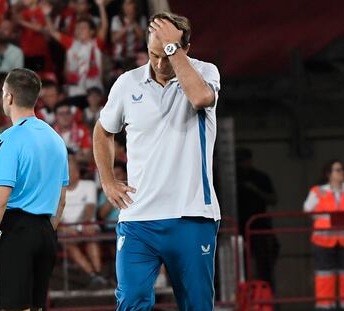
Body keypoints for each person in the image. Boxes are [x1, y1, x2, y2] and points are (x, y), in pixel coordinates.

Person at [93, 12, 221, 310]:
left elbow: (201, 98)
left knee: (198, 305)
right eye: (153, 54)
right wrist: (108, 181)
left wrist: (172, 50)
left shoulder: (205, 72)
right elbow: (102, 131)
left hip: (191, 215)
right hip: (138, 219)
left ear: (184, 48)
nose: (160, 64)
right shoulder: (128, 83)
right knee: (131, 302)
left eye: (166, 54)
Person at [0, 68, 69, 310]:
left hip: (16, 231)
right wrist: (42, 230)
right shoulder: (56, 139)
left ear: (9, 97)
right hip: (46, 232)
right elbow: (62, 200)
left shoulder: (8, 138)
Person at [60, 154, 106, 288]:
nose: (69, 174)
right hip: (67, 229)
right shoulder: (57, 190)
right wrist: (64, 228)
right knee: (68, 242)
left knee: (91, 237)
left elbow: (90, 208)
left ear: (77, 172)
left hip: (87, 225)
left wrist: (81, 226)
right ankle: (94, 275)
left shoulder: (89, 185)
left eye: (72, 170)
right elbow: (56, 213)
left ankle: (97, 273)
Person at [304, 160, 344, 310]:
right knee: (324, 275)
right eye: (337, 170)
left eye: (342, 170)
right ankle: (325, 306)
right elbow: (308, 210)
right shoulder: (318, 191)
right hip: (323, 240)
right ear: (329, 174)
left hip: (343, 240)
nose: (341, 173)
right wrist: (326, 219)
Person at [236, 148, 279, 286]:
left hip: (259, 226)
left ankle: (266, 296)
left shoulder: (260, 177)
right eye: (240, 161)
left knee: (264, 265)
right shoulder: (232, 179)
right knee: (239, 266)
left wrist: (255, 190)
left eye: (245, 160)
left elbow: (273, 199)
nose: (244, 164)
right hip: (238, 228)